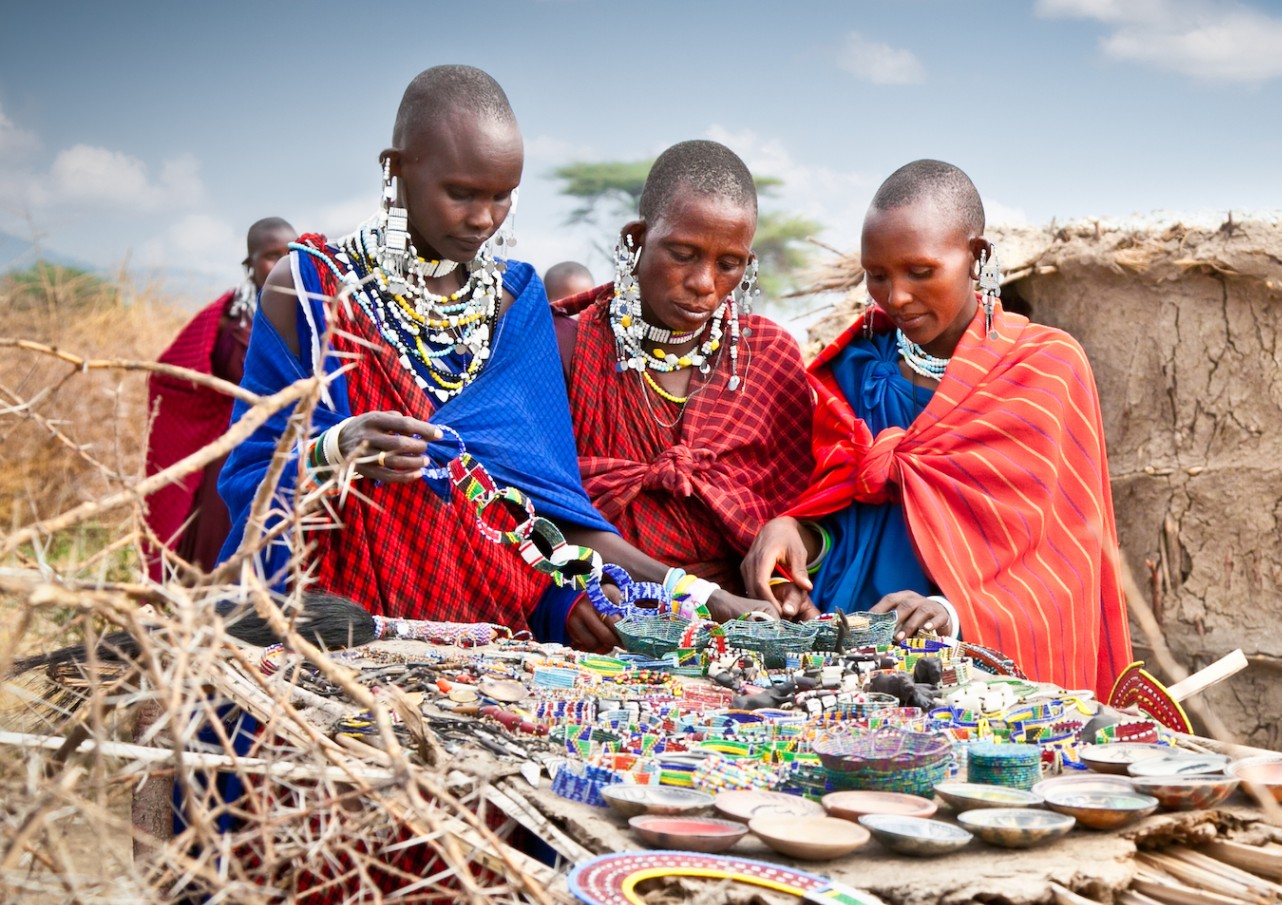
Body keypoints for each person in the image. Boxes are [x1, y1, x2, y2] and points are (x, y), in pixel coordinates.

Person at [219, 65, 625, 650]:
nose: (484, 218)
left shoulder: (518, 299)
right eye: (461, 193)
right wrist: (337, 450)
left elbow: (539, 494)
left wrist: (565, 597)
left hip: (488, 633)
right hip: (331, 627)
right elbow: (249, 476)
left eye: (502, 195)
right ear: (396, 168)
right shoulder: (308, 289)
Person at [741, 159, 1132, 693]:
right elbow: (845, 515)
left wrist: (948, 613)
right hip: (840, 649)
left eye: (920, 272)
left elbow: (1065, 561)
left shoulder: (1044, 369)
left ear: (978, 257)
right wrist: (798, 534)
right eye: (876, 275)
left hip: (970, 667)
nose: (896, 297)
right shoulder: (858, 366)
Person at [558, 140, 807, 617]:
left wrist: (788, 580)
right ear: (636, 240)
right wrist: (701, 597)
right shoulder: (568, 346)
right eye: (682, 253)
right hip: (604, 618)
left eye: (728, 264)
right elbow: (540, 511)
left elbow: (799, 513)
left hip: (750, 630)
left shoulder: (769, 357)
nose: (703, 283)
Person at [144, 217, 293, 578]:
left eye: (289, 254)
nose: (280, 264)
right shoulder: (225, 321)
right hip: (229, 454)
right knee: (217, 546)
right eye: (270, 256)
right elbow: (171, 376)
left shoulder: (311, 316)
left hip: (289, 450)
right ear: (249, 264)